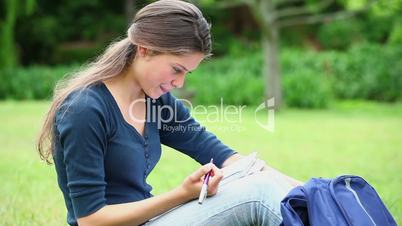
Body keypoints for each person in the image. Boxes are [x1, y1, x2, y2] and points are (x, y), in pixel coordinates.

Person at [37, 0, 301, 225]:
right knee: (257, 194)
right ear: (144, 49)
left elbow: (222, 155)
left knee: (262, 182)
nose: (180, 83)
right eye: (176, 69)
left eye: (187, 73)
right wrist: (182, 194)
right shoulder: (85, 109)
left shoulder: (155, 100)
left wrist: (308, 190)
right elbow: (91, 219)